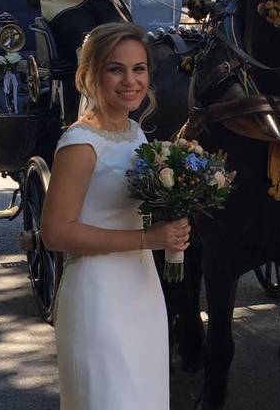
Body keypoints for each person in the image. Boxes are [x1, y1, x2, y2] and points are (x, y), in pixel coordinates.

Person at [41, 22, 190, 409]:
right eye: (115, 69)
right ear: (91, 74)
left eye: (139, 69)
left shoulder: (135, 133)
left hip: (142, 290)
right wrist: (148, 240)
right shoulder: (80, 144)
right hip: (99, 298)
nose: (130, 80)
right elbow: (55, 233)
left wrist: (178, 206)